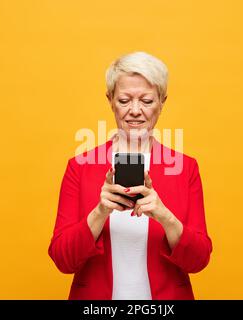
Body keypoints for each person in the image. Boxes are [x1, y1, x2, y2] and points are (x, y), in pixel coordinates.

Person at [48, 51, 212, 300]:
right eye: (124, 100)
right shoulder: (79, 166)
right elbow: (62, 260)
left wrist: (165, 216)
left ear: (162, 102)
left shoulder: (185, 167)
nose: (135, 111)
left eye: (146, 101)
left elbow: (199, 261)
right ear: (110, 100)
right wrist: (99, 212)